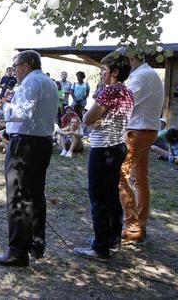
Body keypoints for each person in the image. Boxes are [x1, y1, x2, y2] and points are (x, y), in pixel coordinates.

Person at [0, 50, 57, 267]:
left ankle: (17, 251)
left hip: (25, 143)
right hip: (42, 142)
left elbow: (22, 114)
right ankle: (36, 243)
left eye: (16, 65)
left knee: (18, 195)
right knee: (36, 194)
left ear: (27, 64)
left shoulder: (31, 82)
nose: (14, 70)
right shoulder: (49, 82)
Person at [73, 52, 134, 261]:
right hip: (118, 146)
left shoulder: (109, 91)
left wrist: (92, 118)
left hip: (104, 149)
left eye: (104, 70)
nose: (101, 74)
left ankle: (100, 248)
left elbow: (88, 117)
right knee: (111, 196)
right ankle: (112, 240)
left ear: (114, 72)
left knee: (98, 198)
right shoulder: (127, 91)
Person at [118, 47, 164, 244]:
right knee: (139, 179)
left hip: (138, 131)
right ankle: (139, 226)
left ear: (131, 58)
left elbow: (123, 105)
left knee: (121, 177)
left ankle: (133, 227)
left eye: (122, 60)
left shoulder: (141, 76)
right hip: (146, 130)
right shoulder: (148, 73)